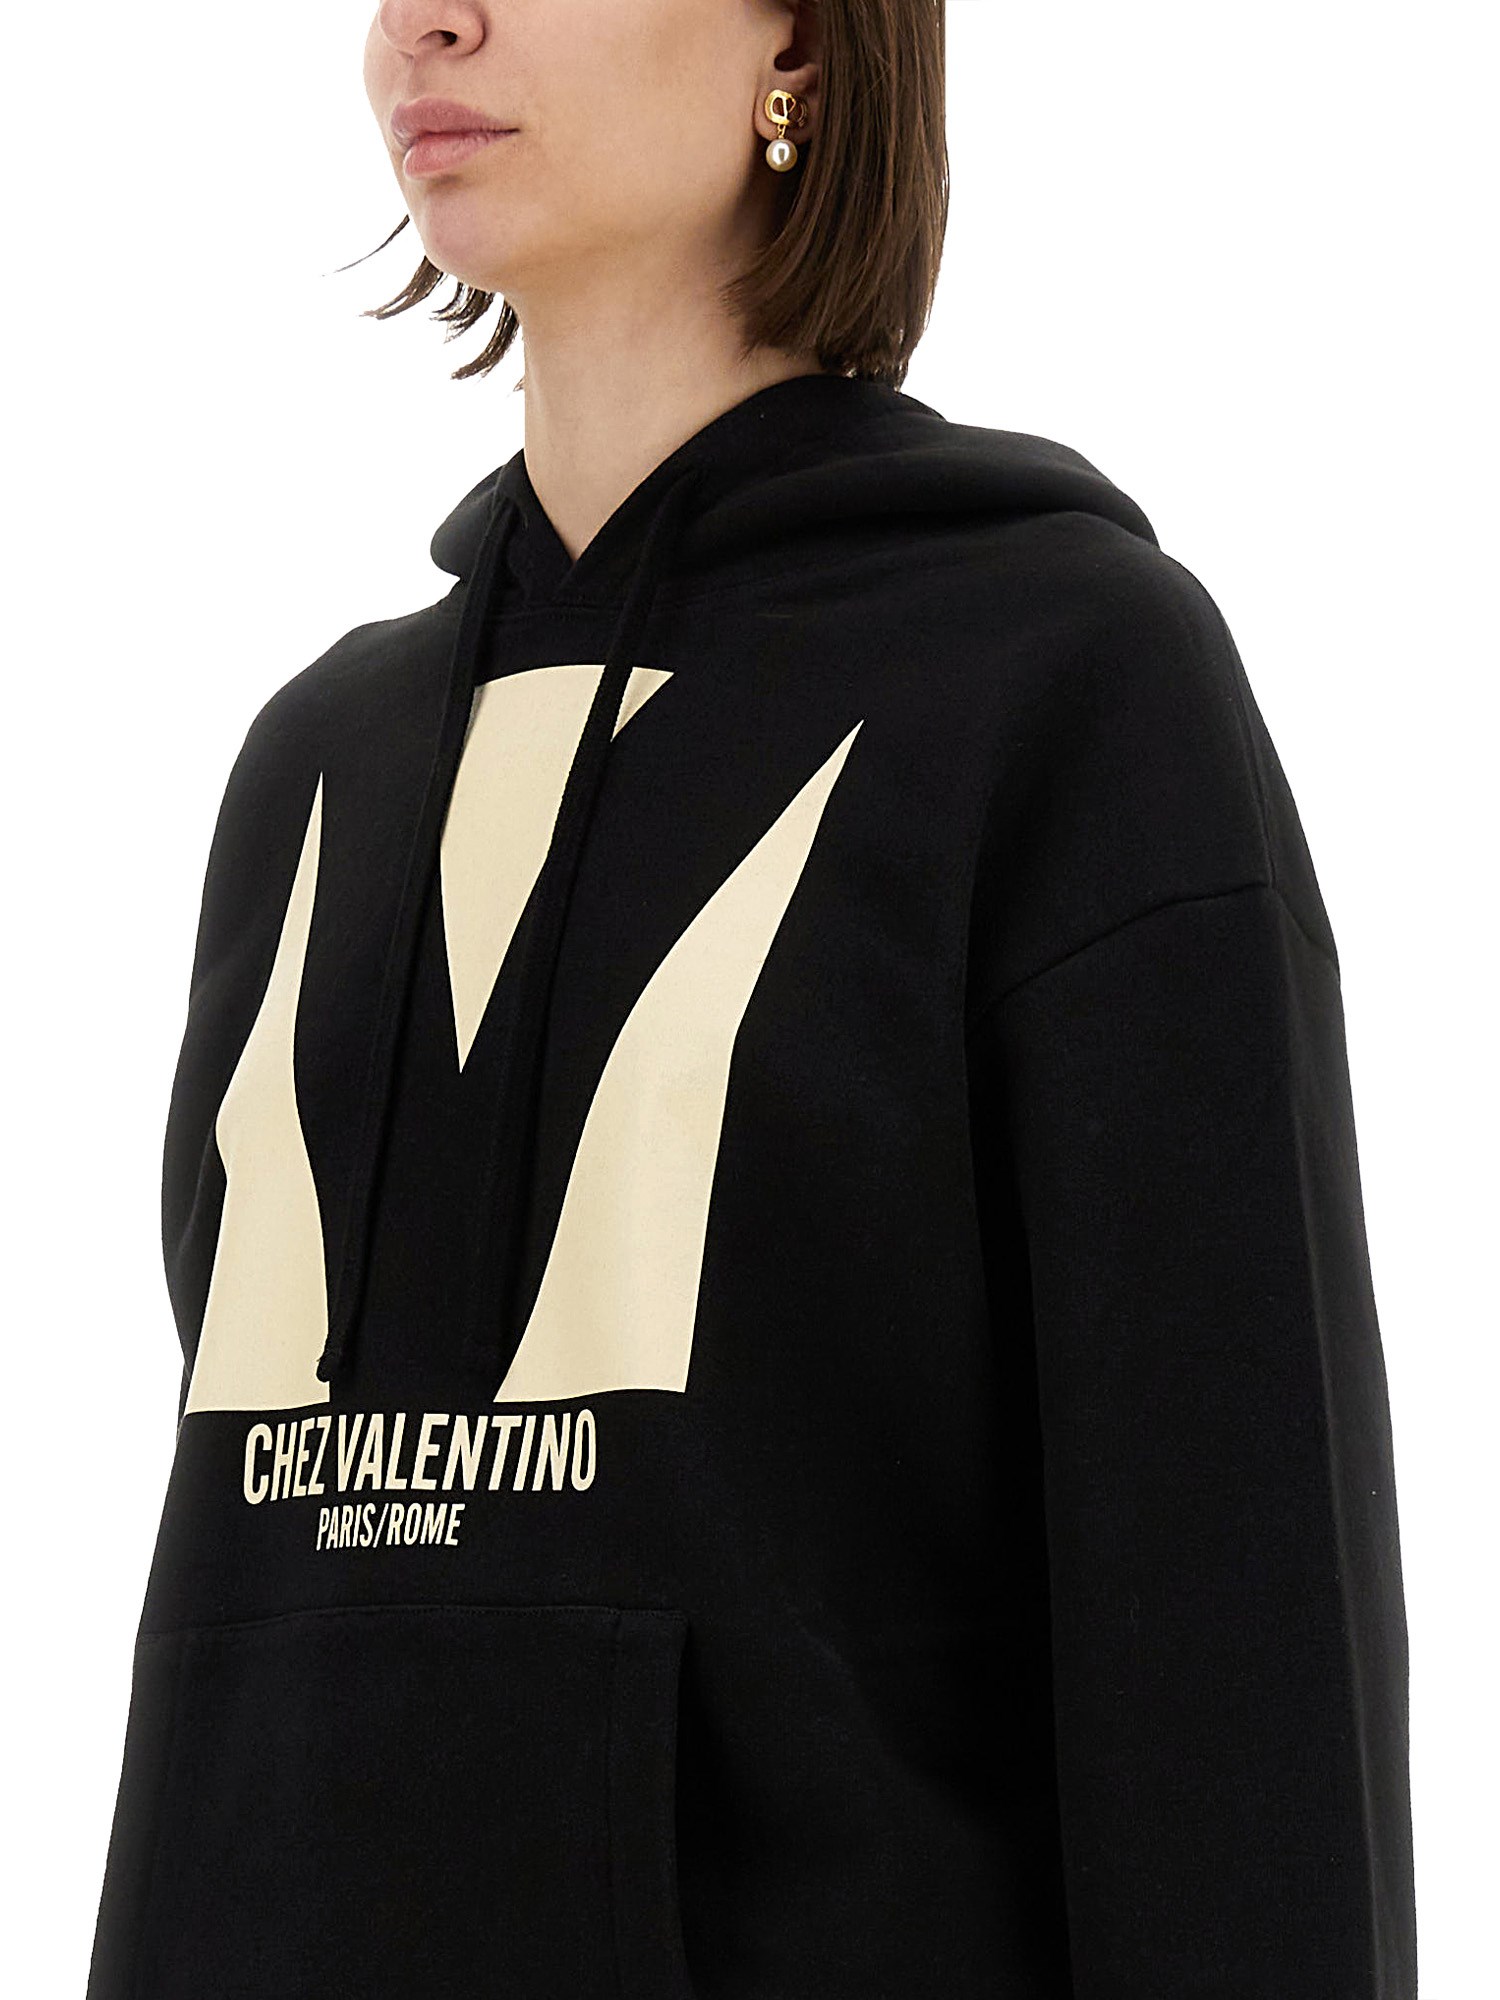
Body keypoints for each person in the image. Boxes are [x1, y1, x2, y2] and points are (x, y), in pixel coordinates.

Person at [86, 3, 1417, 1996]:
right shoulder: (317, 771)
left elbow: (1238, 1672)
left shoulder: (1063, 688)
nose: (427, 20)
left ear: (800, 38)